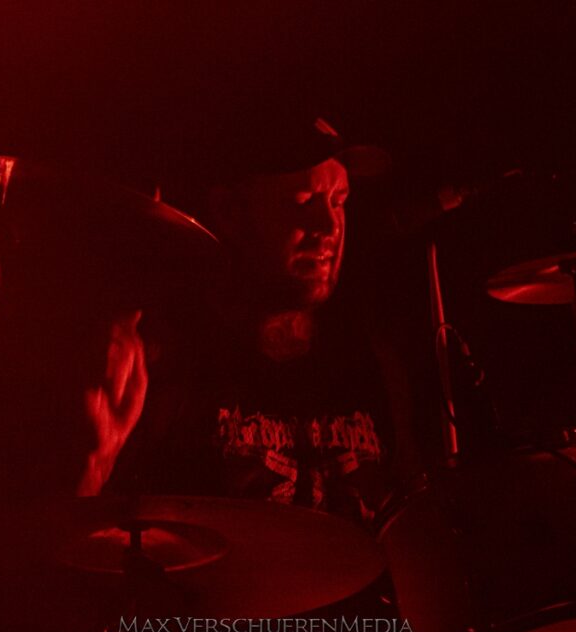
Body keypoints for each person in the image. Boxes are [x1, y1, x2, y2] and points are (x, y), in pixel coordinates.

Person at [76, 114, 402, 524]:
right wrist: (94, 462)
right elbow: (90, 532)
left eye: (339, 202)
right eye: (303, 200)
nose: (328, 225)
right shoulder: (164, 359)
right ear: (230, 212)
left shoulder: (366, 361)